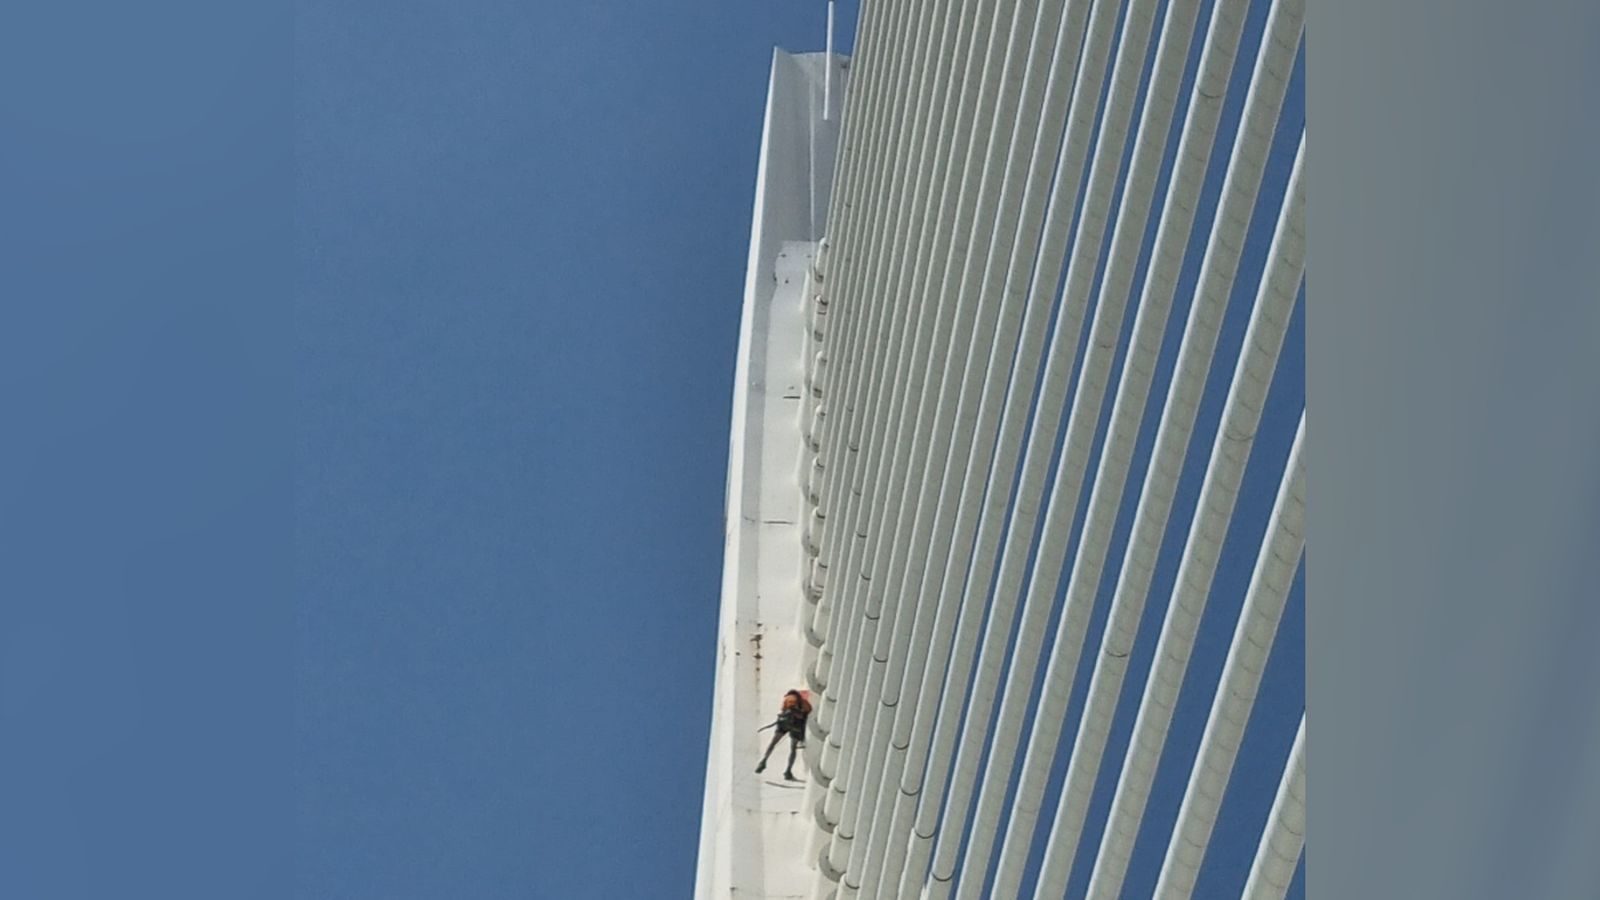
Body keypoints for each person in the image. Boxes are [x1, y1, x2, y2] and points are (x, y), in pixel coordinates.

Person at [755, 689, 812, 781]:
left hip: (784, 723)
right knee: (793, 749)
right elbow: (809, 712)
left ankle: (763, 761)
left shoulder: (788, 698)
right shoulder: (804, 702)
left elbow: (783, 709)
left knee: (773, 743)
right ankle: (788, 771)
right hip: (796, 727)